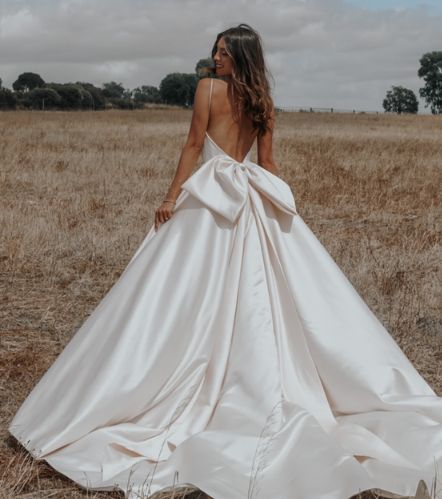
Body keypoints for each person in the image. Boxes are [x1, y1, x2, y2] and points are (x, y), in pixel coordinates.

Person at [8, 23, 442, 499]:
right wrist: (282, 208)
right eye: (214, 52)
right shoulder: (263, 102)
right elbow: (267, 164)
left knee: (181, 291)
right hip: (247, 193)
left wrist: (171, 197)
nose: (215, 59)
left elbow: (194, 145)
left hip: (215, 196)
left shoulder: (208, 90)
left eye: (222, 53)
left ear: (239, 56)